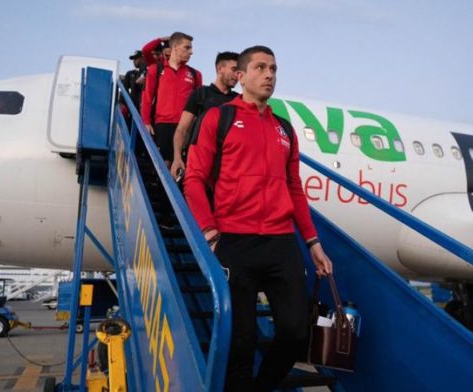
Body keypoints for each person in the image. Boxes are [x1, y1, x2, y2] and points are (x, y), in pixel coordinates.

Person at [183, 46, 333, 392]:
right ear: (241, 75)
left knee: (296, 332)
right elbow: (194, 178)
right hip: (235, 242)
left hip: (281, 243)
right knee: (241, 340)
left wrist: (313, 242)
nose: (270, 75)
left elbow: (294, 188)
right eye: (261, 67)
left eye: (274, 69)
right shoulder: (218, 118)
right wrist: (209, 231)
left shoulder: (283, 128)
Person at [170, 51, 239, 179]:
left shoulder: (239, 100)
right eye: (234, 69)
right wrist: (177, 158)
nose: (237, 75)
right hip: (199, 164)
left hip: (227, 169)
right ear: (220, 69)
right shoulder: (201, 93)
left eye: (239, 71)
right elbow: (182, 129)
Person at [141, 32, 202, 165]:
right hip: (163, 124)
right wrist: (145, 121)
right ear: (175, 48)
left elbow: (199, 103)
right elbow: (147, 96)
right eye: (187, 48)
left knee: (181, 163)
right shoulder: (156, 69)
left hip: (185, 125)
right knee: (165, 163)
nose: (191, 52)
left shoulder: (195, 74)